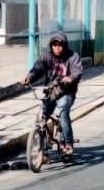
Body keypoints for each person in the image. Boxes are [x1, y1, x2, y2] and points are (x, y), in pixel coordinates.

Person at [25, 31, 84, 160]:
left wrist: (71, 77)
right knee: (41, 117)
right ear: (51, 45)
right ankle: (43, 149)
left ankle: (68, 143)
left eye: (60, 45)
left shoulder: (72, 56)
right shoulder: (47, 56)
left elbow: (77, 71)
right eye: (55, 45)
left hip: (67, 91)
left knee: (63, 112)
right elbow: (38, 67)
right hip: (51, 90)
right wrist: (30, 77)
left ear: (65, 46)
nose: (57, 48)